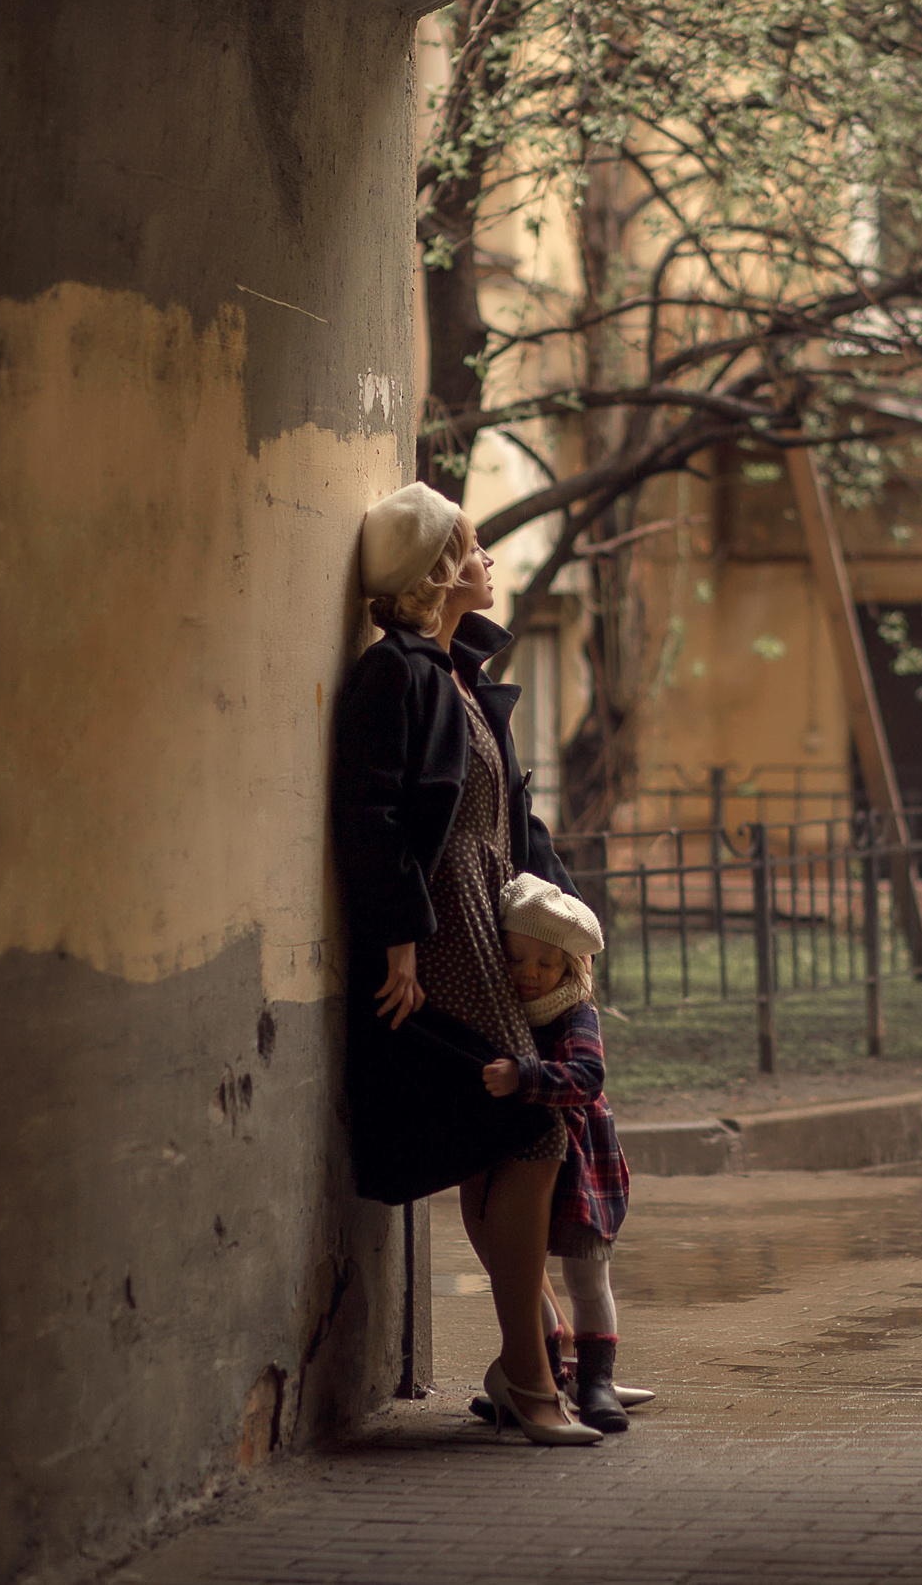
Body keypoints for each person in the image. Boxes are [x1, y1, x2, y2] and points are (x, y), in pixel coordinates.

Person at [330, 481, 600, 1447]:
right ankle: (533, 1373)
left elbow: (511, 822)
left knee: (508, 1144)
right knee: (530, 1130)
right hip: (443, 932)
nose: (489, 559)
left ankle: (531, 1365)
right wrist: (400, 937)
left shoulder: (457, 672)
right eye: (475, 545)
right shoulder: (394, 674)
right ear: (439, 569)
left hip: (493, 919)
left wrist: (567, 927)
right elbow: (371, 815)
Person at [477, 874, 650, 1433]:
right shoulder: (504, 1009)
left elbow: (587, 1074)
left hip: (583, 1168)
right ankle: (545, 1371)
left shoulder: (575, 1013)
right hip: (527, 1163)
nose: (530, 973)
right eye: (517, 957)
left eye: (545, 963)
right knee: (524, 1274)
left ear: (569, 968)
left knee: (586, 1277)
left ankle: (595, 1380)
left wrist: (524, 1077)